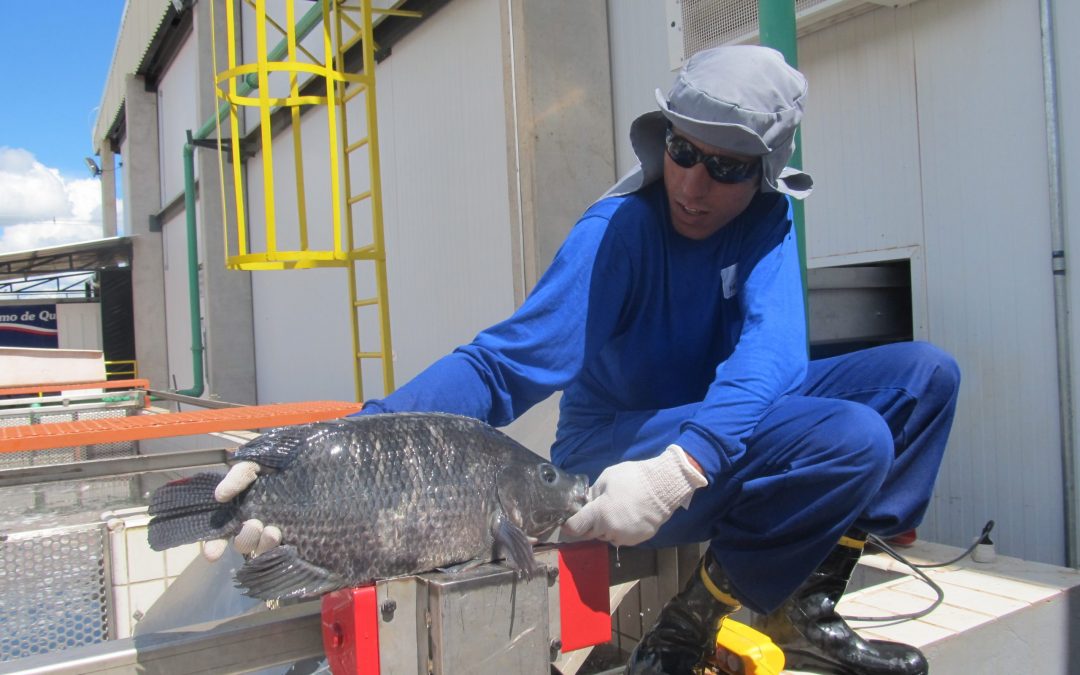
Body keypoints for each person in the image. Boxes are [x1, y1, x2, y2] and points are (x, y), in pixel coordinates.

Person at [210, 45, 960, 675]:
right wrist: (347, 445)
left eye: (725, 168)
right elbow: (500, 369)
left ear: (764, 173)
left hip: (694, 449)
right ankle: (684, 631)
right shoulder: (619, 234)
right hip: (614, 455)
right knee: (851, 438)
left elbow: (771, 362)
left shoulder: (766, 223)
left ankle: (802, 604)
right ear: (662, 140)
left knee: (923, 379)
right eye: (682, 151)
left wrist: (685, 466)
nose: (692, 185)